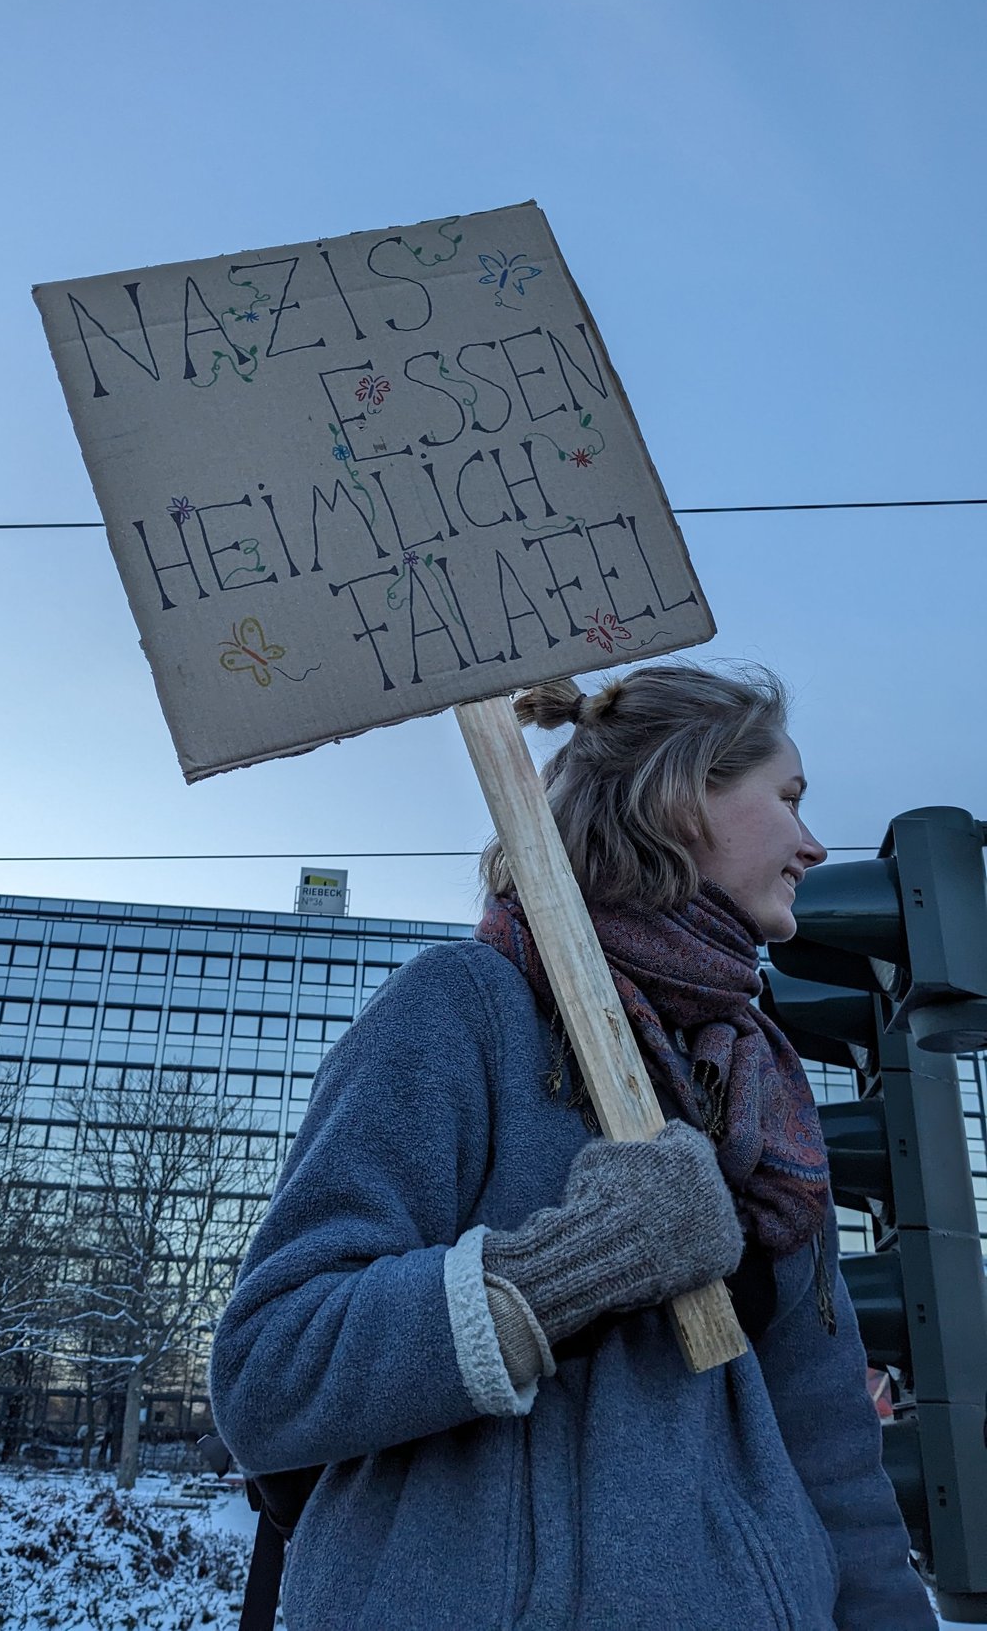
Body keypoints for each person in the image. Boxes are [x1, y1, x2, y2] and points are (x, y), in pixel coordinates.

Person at [209, 663, 935, 1631]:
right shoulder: (459, 1013)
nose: (810, 840)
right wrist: (565, 1269)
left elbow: (836, 1465)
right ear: (682, 794)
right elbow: (268, 1367)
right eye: (789, 796)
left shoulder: (772, 1099)